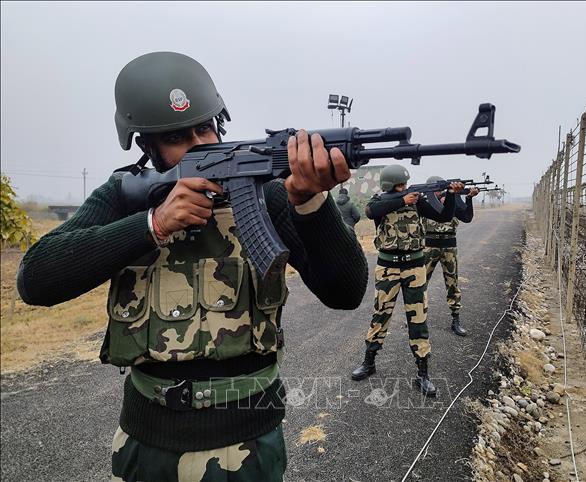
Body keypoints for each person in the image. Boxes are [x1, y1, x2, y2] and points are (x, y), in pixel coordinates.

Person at [16, 51, 368, 482]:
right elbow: (35, 279)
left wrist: (310, 201)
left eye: (205, 128)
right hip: (148, 445)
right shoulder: (125, 194)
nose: (200, 144)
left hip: (249, 446)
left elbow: (346, 291)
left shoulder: (267, 194)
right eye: (177, 137)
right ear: (147, 147)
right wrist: (153, 224)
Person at [349, 165, 463, 397]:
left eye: (405, 185)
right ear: (390, 185)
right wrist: (402, 200)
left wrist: (452, 195)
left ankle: (423, 373)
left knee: (418, 318)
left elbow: (443, 216)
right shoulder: (379, 201)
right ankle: (369, 362)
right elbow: (371, 211)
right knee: (380, 314)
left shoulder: (417, 202)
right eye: (400, 185)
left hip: (415, 267)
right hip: (388, 267)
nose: (405, 188)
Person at [423, 176, 478, 336]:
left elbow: (467, 217)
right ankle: (418, 317)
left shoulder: (451, 199)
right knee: (421, 284)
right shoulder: (423, 202)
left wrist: (467, 199)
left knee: (452, 284)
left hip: (449, 246)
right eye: (437, 189)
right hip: (429, 246)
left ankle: (456, 319)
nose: (440, 192)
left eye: (441, 189)